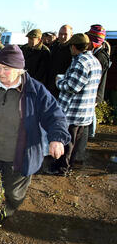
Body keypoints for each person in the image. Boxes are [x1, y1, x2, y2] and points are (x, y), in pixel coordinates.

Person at [0, 44, 70, 221]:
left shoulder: (35, 91)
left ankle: (9, 209)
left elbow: (55, 116)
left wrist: (57, 139)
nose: (0, 72)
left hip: (18, 154)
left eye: (6, 69)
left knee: (14, 192)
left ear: (19, 70)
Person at [52, 34, 102, 176]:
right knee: (74, 142)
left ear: (74, 47)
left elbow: (72, 87)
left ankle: (61, 169)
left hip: (73, 111)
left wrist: (59, 80)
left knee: (67, 142)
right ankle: (68, 165)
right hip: (85, 111)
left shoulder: (81, 63)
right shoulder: (94, 61)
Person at [75, 25, 111, 162]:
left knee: (84, 124)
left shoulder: (101, 56)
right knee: (84, 123)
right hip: (92, 93)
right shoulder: (97, 54)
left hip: (93, 94)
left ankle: (79, 153)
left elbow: (97, 79)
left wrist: (96, 97)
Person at [46, 25, 74, 98]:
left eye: (65, 34)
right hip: (51, 86)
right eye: (60, 34)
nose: (62, 36)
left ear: (71, 35)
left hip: (64, 89)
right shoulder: (55, 47)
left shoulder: (73, 51)